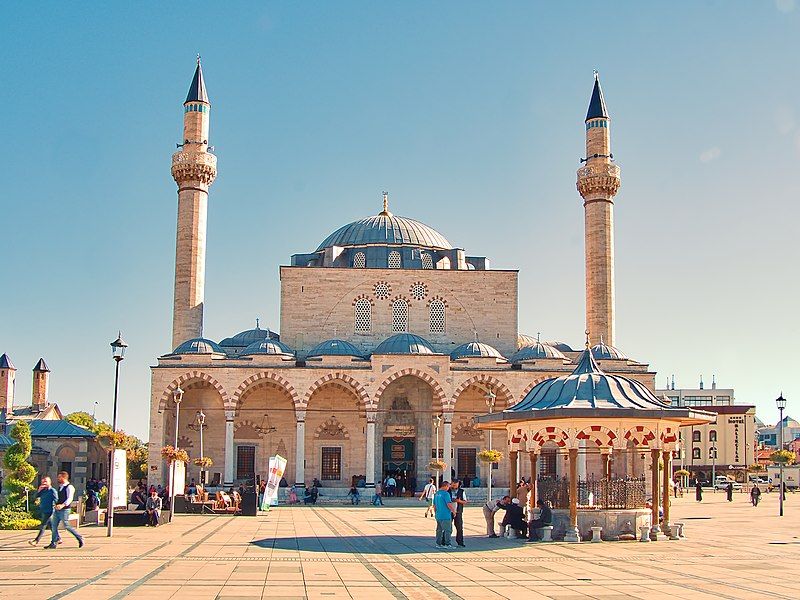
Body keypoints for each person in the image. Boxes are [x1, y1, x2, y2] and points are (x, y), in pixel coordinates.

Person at [45, 471, 83, 549]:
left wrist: (62, 505)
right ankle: (53, 542)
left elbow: (69, 498)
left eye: (59, 477)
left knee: (66, 525)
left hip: (65, 510)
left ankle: (79, 537)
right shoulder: (60, 487)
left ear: (63, 477)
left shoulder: (69, 487)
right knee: (53, 525)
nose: (58, 479)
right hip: (58, 509)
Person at [30, 476, 59, 547]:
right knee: (51, 526)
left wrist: (56, 507)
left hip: (50, 511)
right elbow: (35, 497)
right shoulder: (43, 491)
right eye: (43, 482)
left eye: (46, 481)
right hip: (44, 510)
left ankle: (36, 541)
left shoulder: (52, 490)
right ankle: (58, 538)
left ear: (49, 482)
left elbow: (56, 499)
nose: (44, 483)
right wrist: (39, 490)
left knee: (43, 525)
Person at [433, 481, 455, 549]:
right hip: (445, 515)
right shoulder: (446, 494)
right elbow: (449, 504)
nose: (448, 488)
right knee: (448, 530)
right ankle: (447, 544)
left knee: (439, 530)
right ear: (445, 486)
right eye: (448, 486)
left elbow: (434, 505)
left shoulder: (436, 494)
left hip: (438, 514)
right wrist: (453, 511)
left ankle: (438, 544)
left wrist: (436, 513)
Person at [450, 480, 468, 547]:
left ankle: (460, 542)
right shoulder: (448, 491)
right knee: (448, 527)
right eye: (453, 484)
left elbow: (465, 501)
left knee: (459, 527)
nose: (454, 486)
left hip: (458, 511)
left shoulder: (461, 491)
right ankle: (445, 541)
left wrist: (459, 501)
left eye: (455, 485)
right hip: (449, 511)